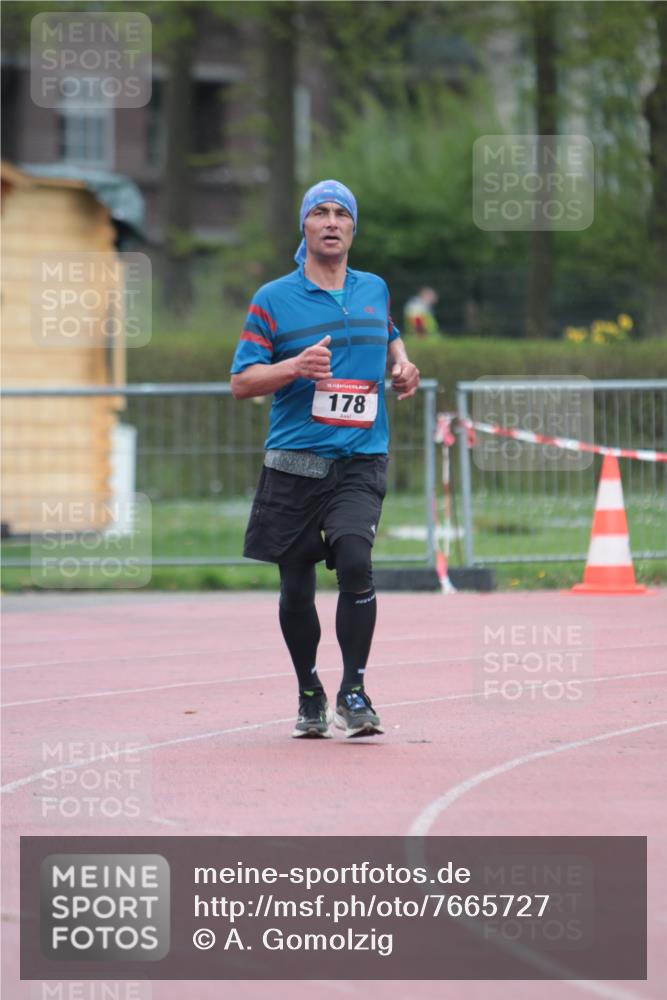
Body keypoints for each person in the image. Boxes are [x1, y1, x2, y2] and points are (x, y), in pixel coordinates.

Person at [230, 179, 419, 739]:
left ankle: (354, 691)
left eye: (342, 214)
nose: (332, 222)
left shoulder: (374, 288)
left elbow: (386, 334)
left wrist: (404, 362)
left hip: (360, 459)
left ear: (353, 229)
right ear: (305, 228)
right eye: (321, 213)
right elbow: (242, 381)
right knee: (297, 586)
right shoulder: (272, 299)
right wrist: (293, 368)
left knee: (357, 561)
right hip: (295, 462)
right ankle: (309, 690)